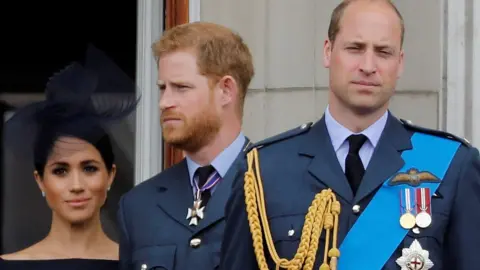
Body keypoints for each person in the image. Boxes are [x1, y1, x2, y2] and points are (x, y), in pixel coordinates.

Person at [220, 0, 480, 269]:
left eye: (383, 52)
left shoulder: (453, 167)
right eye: (355, 48)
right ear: (328, 51)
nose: (368, 65)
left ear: (400, 63)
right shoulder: (263, 170)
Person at [117, 21, 254, 270]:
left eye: (181, 87)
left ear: (226, 90)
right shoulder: (138, 206)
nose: (164, 102)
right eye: (162, 88)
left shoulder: (277, 187)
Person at [0, 46, 139, 270]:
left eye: (90, 168)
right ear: (40, 180)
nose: (76, 186)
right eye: (60, 171)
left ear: (110, 175)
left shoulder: (137, 265)